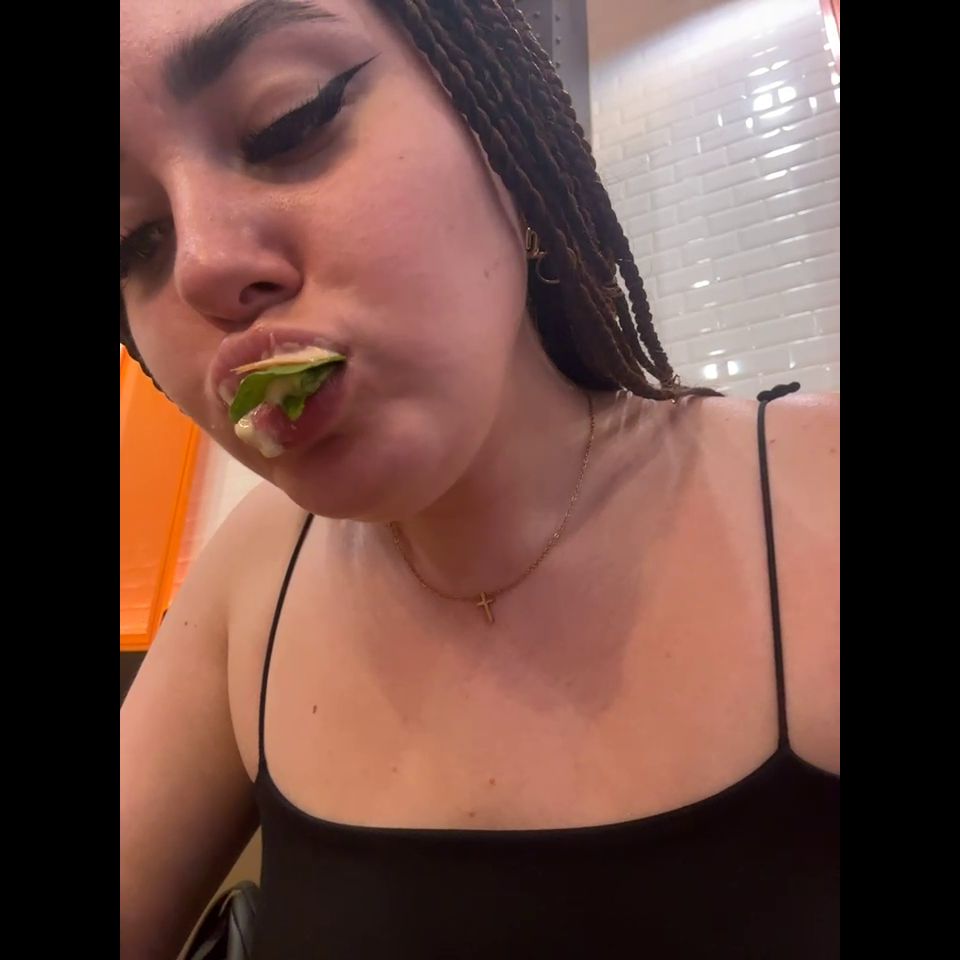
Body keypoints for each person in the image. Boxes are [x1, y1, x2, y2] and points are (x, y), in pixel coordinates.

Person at [119, 1, 840, 957]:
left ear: (501, 133)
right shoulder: (249, 584)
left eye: (289, 122)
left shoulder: (820, 488)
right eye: (134, 241)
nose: (203, 268)